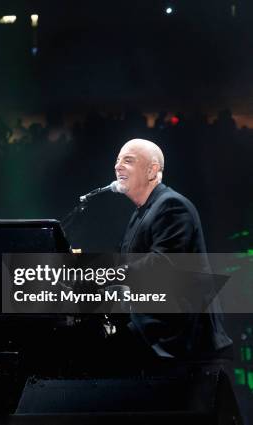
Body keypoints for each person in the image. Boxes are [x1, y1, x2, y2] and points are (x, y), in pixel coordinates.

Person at [113, 138, 239, 421]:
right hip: (167, 352)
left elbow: (163, 266)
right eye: (117, 160)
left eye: (128, 160)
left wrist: (107, 273)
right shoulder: (142, 212)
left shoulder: (171, 206)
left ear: (151, 170)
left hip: (189, 355)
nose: (117, 166)